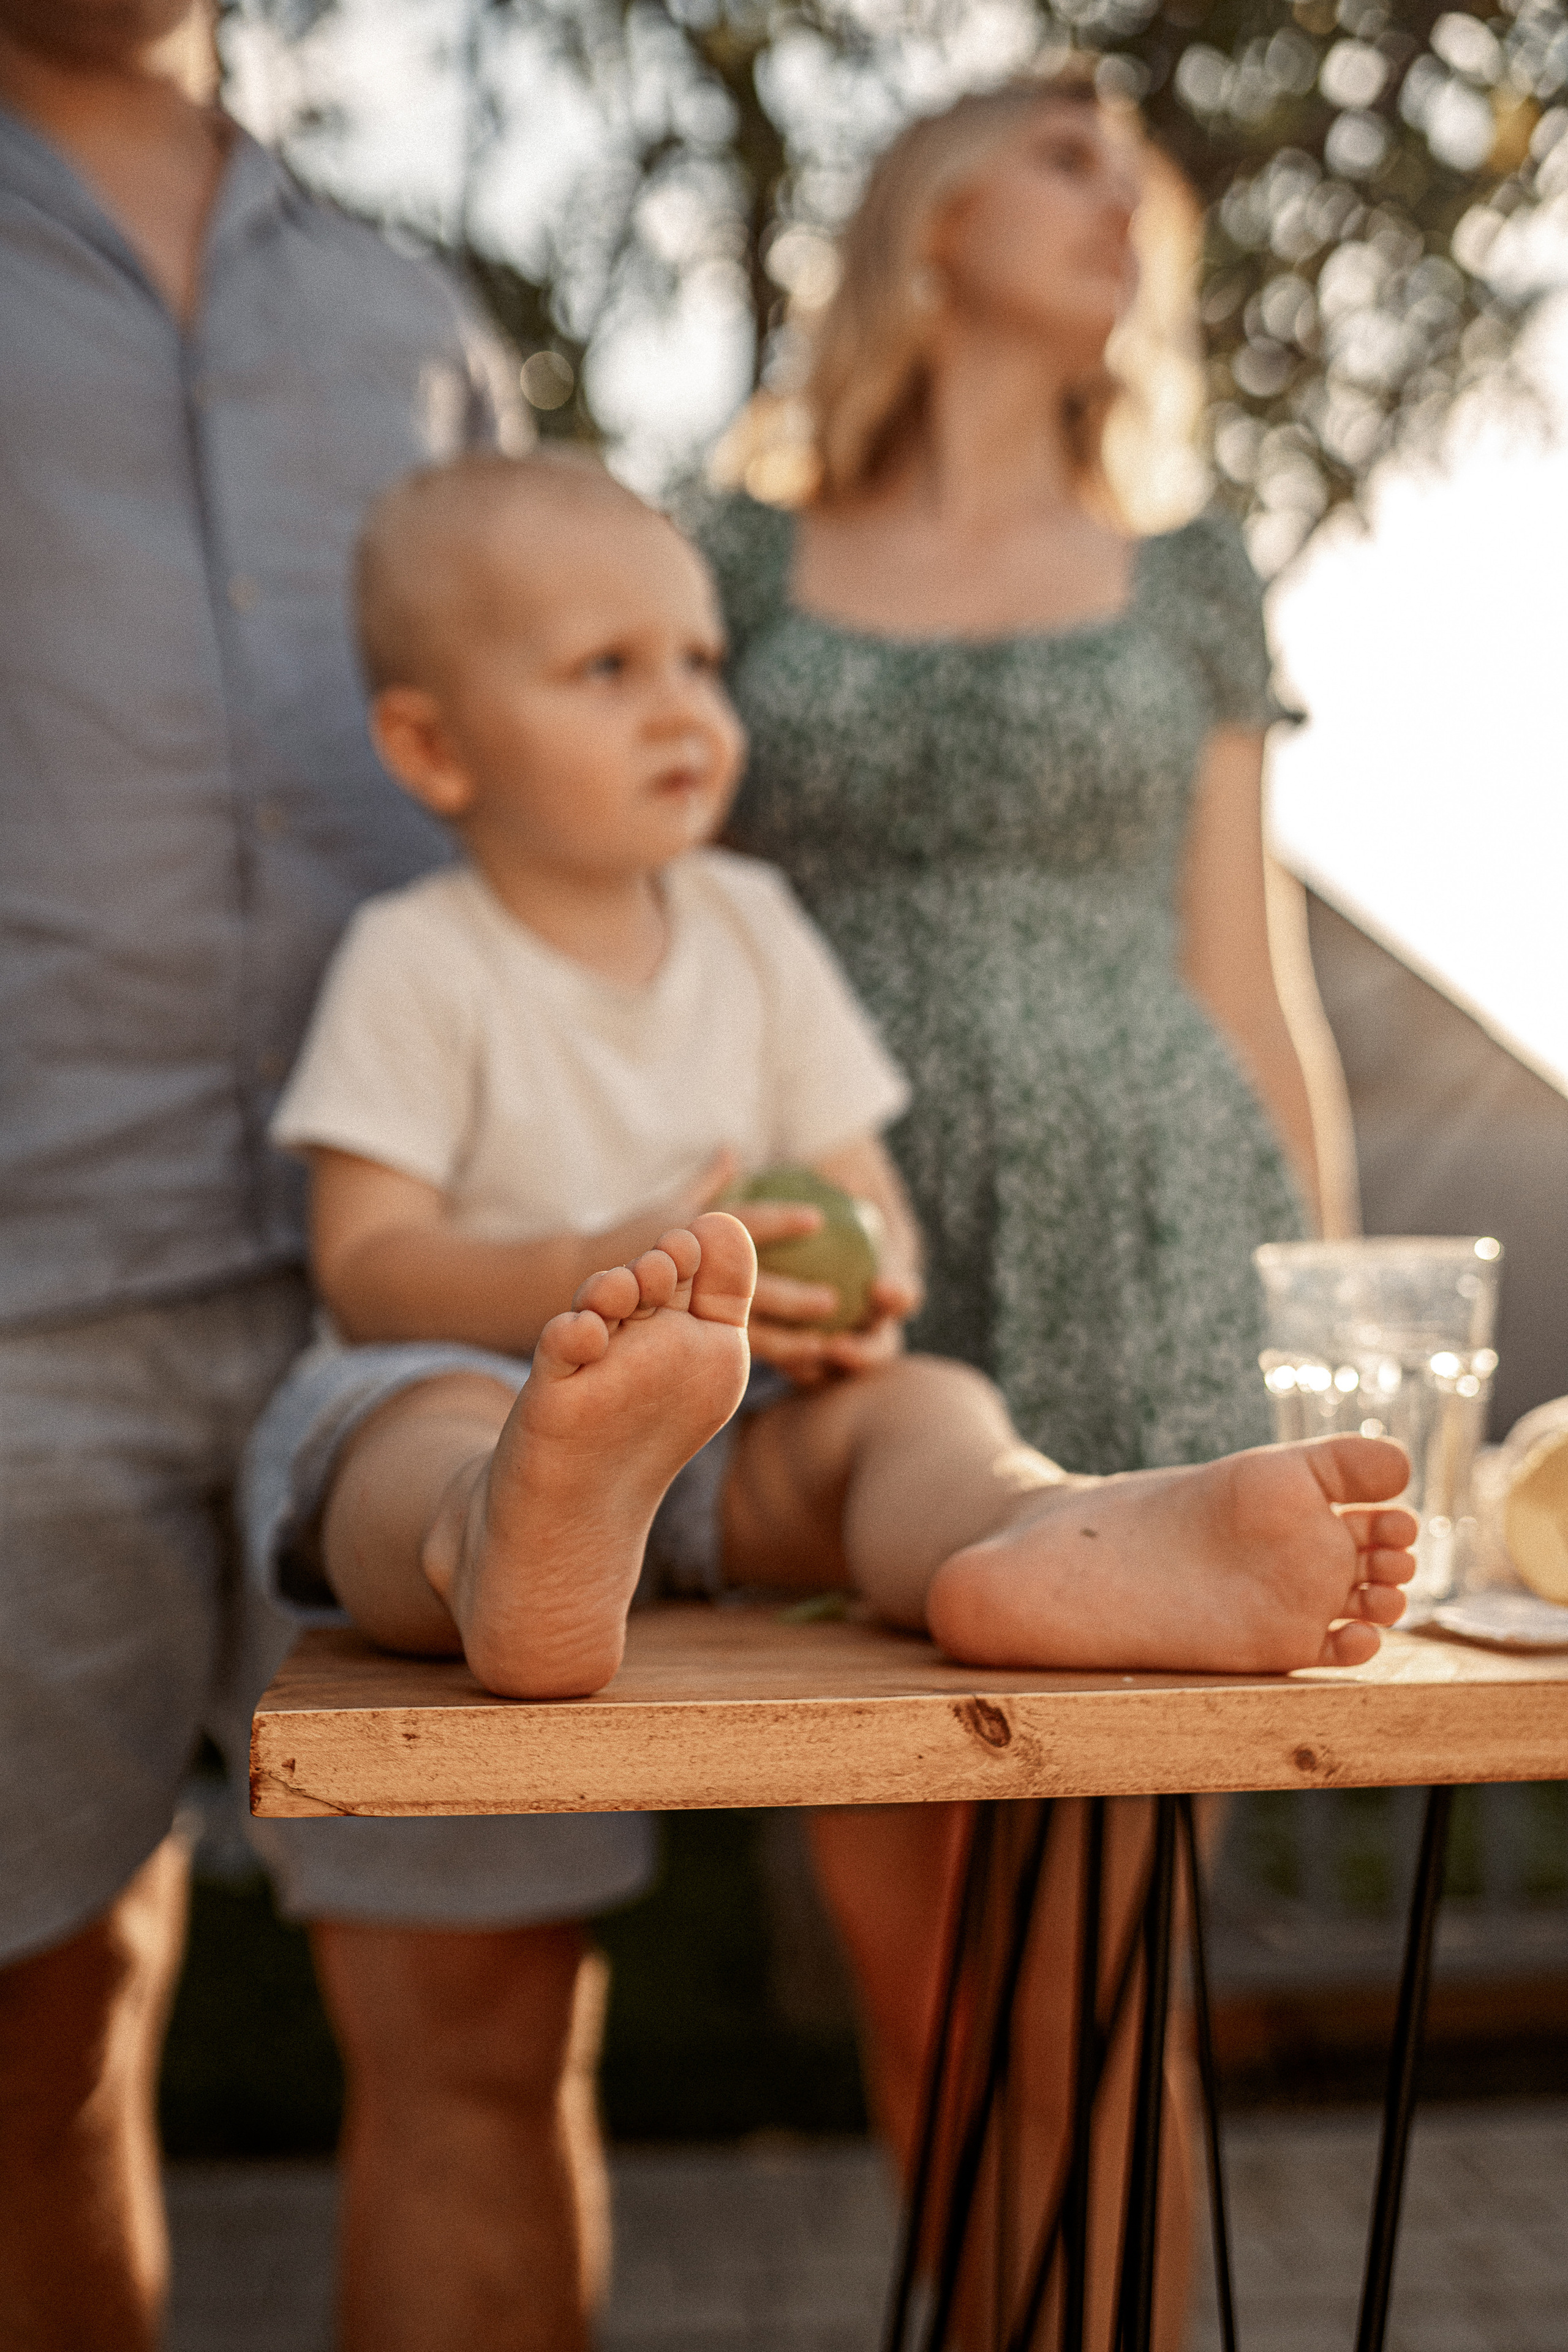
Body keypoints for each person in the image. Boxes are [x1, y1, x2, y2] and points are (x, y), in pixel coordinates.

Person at [680, 66, 1359, 2339]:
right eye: (1062, 156)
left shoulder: (1192, 564)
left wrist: (1340, 1347)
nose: (1118, 204)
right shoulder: (739, 557)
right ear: (927, 216)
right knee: (928, 2004)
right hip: (865, 1304)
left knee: (1100, 2003)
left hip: (1156, 1246)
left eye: (1136, 189)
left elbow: (1246, 977)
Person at [0, 12, 644, 2351]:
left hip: (439, 1297)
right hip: (20, 1295)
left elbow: (566, 759)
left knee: (487, 2030)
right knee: (27, 2047)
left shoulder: (410, 314)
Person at [251, 450, 1412, 1709]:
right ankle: (489, 1543)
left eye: (699, 661)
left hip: (731, 1429)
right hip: (477, 1386)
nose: (679, 708)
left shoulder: (753, 927)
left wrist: (867, 1296)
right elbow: (365, 1271)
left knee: (925, 1410)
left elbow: (863, 1192)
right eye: (607, 668)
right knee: (409, 1438)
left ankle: (1033, 1532)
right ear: (433, 749)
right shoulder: (419, 956)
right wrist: (595, 1268)